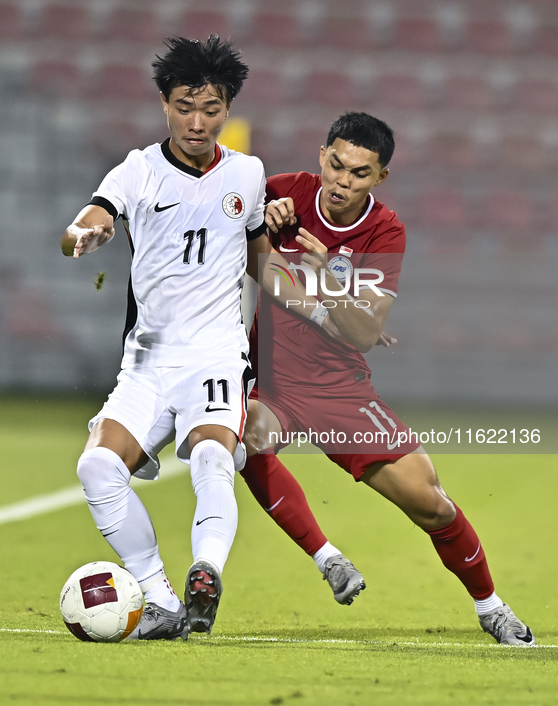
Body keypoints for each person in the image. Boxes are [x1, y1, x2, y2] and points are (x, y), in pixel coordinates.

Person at [60, 35, 326, 641]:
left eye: (211, 109)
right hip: (147, 361)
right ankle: (160, 598)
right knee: (98, 468)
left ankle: (206, 573)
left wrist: (313, 291)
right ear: (164, 104)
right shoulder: (138, 170)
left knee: (211, 454)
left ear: (228, 108)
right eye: (185, 106)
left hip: (215, 356)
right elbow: (90, 218)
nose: (197, 122)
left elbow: (258, 262)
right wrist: (85, 235)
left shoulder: (248, 173)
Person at [240, 111, 535, 647]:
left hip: (339, 388)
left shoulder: (385, 231)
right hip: (272, 380)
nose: (341, 182)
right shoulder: (280, 192)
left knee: (431, 503)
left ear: (380, 178)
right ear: (322, 153)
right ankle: (327, 558)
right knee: (242, 440)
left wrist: (329, 270)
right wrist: (257, 217)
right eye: (336, 165)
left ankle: (490, 606)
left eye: (358, 173)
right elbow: (218, 226)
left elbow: (360, 331)